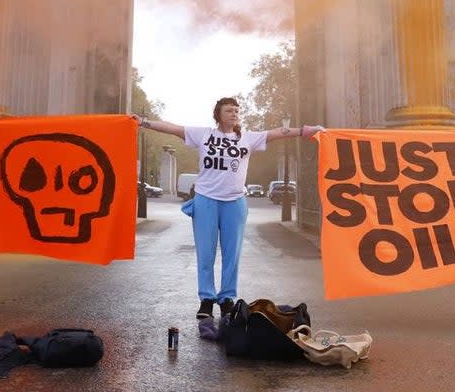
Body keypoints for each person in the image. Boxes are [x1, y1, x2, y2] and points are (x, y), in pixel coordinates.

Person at [138, 97, 323, 319]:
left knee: (231, 253)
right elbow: (172, 128)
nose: (234, 114)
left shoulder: (248, 138)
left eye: (236, 110)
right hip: (206, 199)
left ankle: (226, 298)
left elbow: (277, 132)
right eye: (229, 110)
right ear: (218, 114)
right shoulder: (204, 134)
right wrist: (143, 122)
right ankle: (206, 299)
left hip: (234, 202)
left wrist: (306, 130)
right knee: (205, 253)